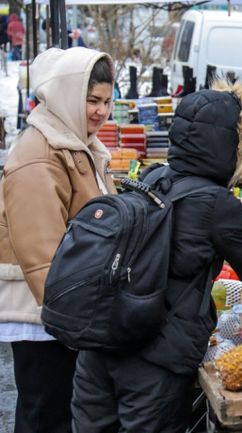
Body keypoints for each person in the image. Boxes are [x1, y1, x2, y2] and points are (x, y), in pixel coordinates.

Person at [70, 81, 242, 433]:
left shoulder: (153, 177)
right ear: (236, 144)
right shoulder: (216, 203)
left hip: (102, 342)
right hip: (156, 356)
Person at [0, 47, 116, 433]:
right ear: (68, 95)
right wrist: (69, 319)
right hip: (44, 313)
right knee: (44, 414)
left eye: (106, 101)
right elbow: (40, 254)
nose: (101, 111)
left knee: (58, 413)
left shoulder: (77, 144)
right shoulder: (40, 156)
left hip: (65, 307)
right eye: (91, 100)